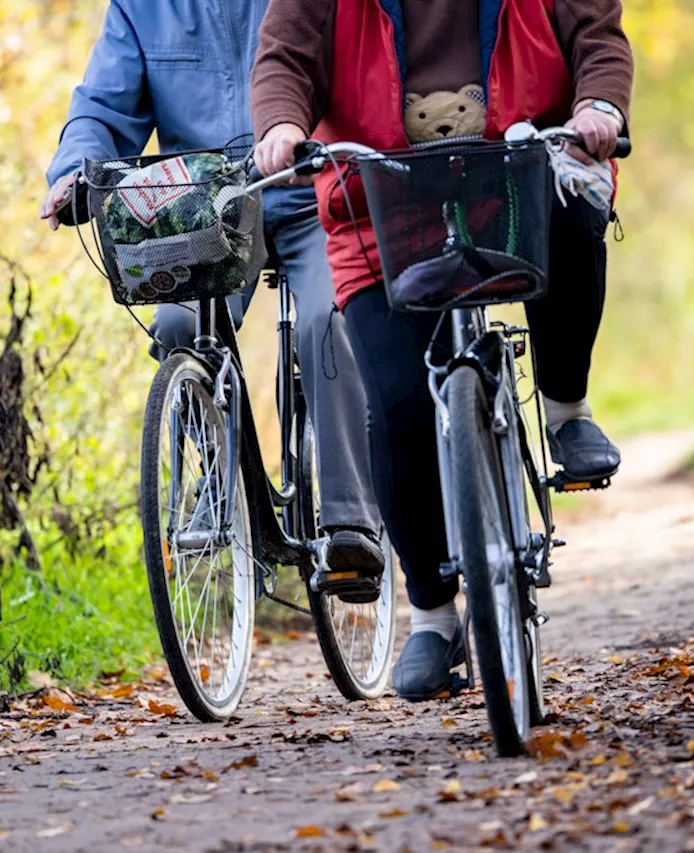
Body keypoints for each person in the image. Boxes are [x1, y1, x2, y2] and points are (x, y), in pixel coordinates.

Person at [250, 0, 633, 701]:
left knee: (579, 206)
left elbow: (597, 36)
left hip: (515, 176)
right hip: (380, 204)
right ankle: (432, 613)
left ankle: (565, 408)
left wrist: (600, 106)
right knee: (396, 406)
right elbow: (285, 57)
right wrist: (280, 126)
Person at [39, 1, 384, 576]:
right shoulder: (142, 9)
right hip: (208, 211)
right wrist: (76, 169)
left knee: (329, 320)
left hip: (312, 197)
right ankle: (223, 479)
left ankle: (352, 521)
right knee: (176, 325)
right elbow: (102, 105)